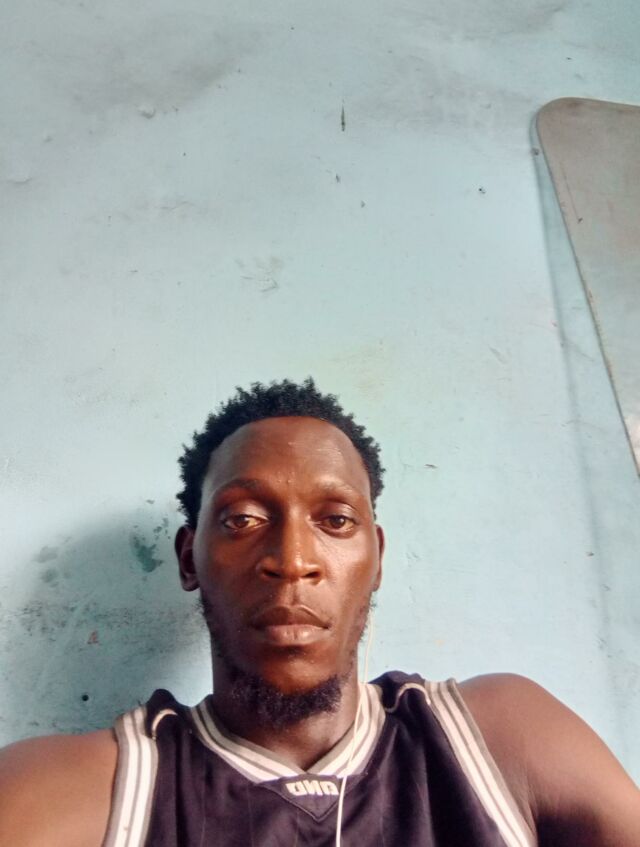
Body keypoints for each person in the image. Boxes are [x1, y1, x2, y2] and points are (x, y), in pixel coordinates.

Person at [0, 378, 638, 847]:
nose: (292, 560)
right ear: (190, 559)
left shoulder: (499, 742)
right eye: (243, 519)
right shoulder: (92, 788)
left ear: (376, 558)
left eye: (335, 521)